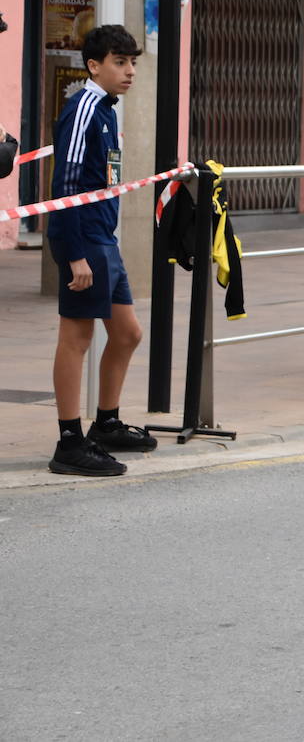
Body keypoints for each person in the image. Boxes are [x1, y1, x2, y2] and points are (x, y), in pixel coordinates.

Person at [46, 24, 156, 476]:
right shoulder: (83, 109)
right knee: (77, 337)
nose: (129, 71)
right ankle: (69, 441)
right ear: (94, 66)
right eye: (119, 62)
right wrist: (74, 254)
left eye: (132, 62)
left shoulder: (107, 110)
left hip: (102, 237)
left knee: (127, 332)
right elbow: (65, 185)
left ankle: (105, 424)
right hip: (83, 239)